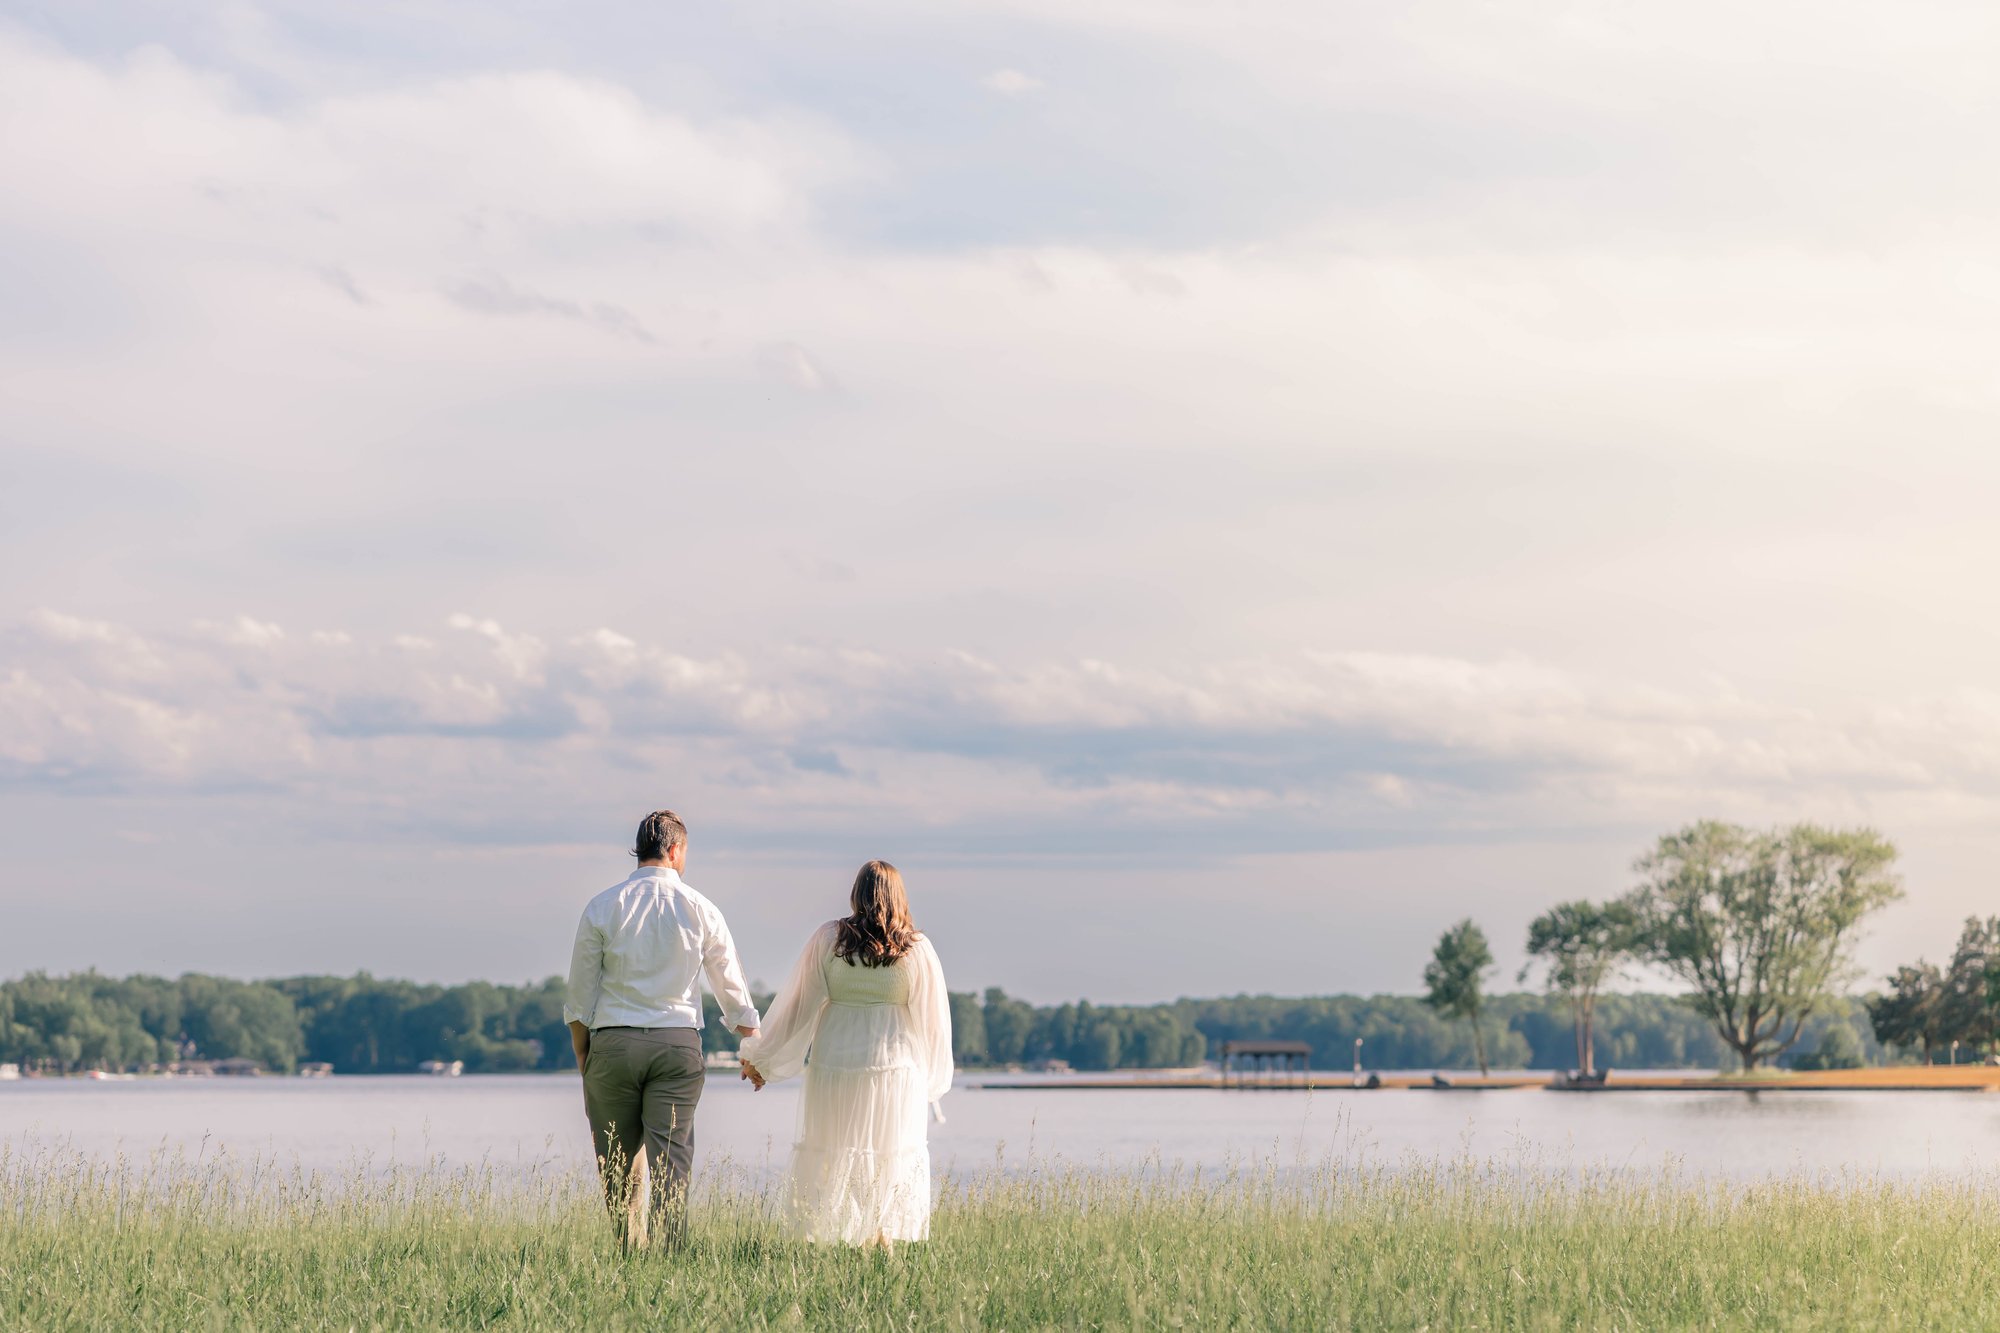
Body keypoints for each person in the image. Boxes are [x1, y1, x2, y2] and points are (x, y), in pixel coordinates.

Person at [564, 809, 760, 1249]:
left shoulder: (602, 906)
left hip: (613, 1043)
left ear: (639, 850)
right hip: (676, 1044)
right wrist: (754, 1048)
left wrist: (583, 1053)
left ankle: (630, 1251)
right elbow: (732, 990)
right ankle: (669, 1255)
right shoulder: (701, 908)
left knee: (617, 1161)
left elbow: (578, 997)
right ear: (675, 850)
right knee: (672, 1160)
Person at [738, 860, 953, 1248]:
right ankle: (880, 1240)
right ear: (899, 896)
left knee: (835, 1153)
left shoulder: (829, 939)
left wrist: (761, 1058)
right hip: (895, 1069)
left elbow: (796, 1007)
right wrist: (933, 1078)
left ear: (857, 893)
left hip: (837, 1063)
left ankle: (843, 1239)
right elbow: (934, 1021)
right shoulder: (917, 949)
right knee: (889, 1155)